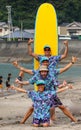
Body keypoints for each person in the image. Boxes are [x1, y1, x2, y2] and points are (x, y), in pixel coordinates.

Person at [11, 79, 76, 127]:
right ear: (37, 86)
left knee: (45, 125)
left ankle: (50, 120)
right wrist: (15, 88)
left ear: (44, 86)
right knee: (35, 125)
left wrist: (67, 87)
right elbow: (24, 91)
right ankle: (47, 121)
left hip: (45, 115)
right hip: (37, 115)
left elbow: (58, 91)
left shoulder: (48, 93)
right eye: (39, 85)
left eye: (42, 85)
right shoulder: (34, 93)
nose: (40, 86)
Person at [13, 56, 77, 88]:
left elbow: (64, 69)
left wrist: (72, 62)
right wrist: (17, 66)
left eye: (46, 62)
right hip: (41, 92)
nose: (45, 63)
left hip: (51, 92)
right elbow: (26, 71)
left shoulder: (52, 71)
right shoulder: (37, 72)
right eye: (43, 62)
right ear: (41, 63)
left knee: (57, 107)